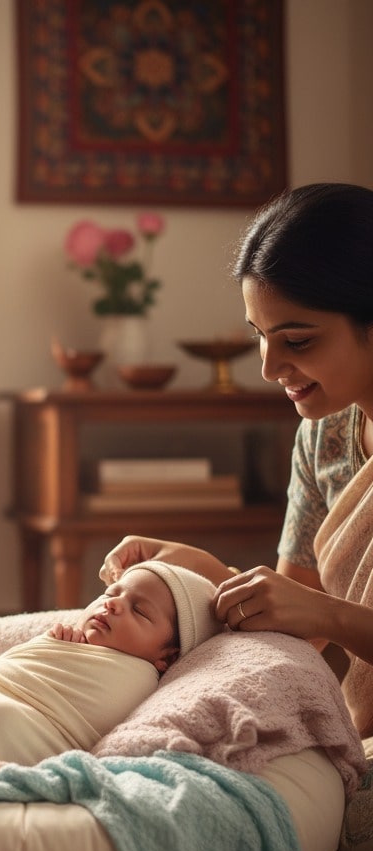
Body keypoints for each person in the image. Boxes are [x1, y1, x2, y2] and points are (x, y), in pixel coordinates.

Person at [99, 183, 373, 744]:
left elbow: (319, 616)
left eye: (297, 340)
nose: (271, 368)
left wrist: (327, 616)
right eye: (260, 337)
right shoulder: (325, 436)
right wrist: (197, 576)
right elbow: (298, 622)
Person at [0, 561, 222, 765]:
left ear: (168, 657)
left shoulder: (142, 678)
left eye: (139, 610)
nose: (114, 606)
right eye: (110, 594)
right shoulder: (66, 640)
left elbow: (88, 720)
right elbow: (8, 672)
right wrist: (49, 643)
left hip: (26, 725)